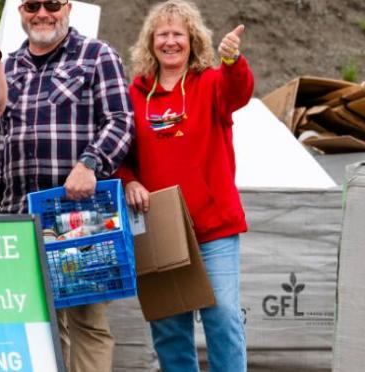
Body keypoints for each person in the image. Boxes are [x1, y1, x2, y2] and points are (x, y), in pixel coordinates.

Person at [0, 1, 133, 371]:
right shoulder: (8, 67)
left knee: (86, 321)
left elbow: (120, 121)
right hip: (17, 216)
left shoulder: (97, 56)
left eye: (52, 3)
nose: (42, 13)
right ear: (21, 11)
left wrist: (91, 163)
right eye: (32, 5)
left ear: (67, 7)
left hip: (79, 213)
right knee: (37, 324)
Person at [118, 1, 251, 370]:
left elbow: (239, 91)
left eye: (178, 34)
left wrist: (231, 61)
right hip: (160, 226)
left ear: (192, 40)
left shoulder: (211, 83)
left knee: (222, 316)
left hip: (214, 228)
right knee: (168, 325)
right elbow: (121, 154)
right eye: (163, 34)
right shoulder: (134, 94)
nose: (171, 41)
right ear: (151, 42)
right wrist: (129, 182)